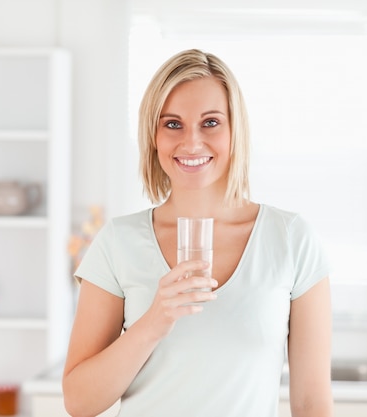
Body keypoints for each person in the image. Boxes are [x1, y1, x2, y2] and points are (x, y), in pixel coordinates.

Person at [62, 49, 333, 417]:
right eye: (173, 124)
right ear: (153, 136)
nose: (191, 143)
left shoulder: (291, 240)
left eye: (210, 122)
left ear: (235, 130)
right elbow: (79, 402)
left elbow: (311, 403)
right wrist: (154, 321)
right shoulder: (117, 243)